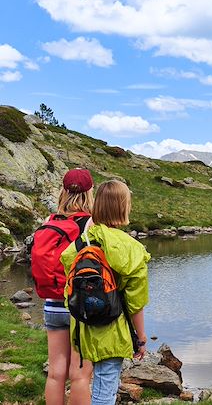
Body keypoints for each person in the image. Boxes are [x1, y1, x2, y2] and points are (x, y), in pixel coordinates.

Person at [61, 180, 149, 405]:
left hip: (85, 327)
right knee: (105, 391)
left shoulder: (80, 243)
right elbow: (135, 302)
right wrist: (141, 338)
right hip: (114, 328)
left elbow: (68, 290)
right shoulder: (131, 248)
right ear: (123, 207)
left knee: (100, 384)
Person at [32, 168, 94, 405]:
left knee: (56, 373)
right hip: (80, 307)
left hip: (52, 305)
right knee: (80, 375)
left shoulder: (50, 220)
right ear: (89, 193)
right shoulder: (90, 222)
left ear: (63, 191)